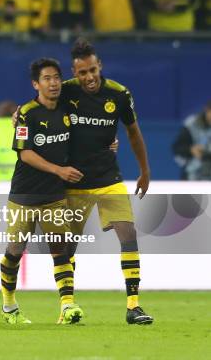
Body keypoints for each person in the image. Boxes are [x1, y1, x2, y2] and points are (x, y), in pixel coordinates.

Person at [60, 38, 153, 325]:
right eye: (82, 72)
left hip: (107, 178)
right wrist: (18, 116)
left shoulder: (119, 94)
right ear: (74, 72)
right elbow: (36, 110)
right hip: (73, 181)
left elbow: (133, 132)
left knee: (128, 233)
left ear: (100, 66)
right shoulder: (64, 92)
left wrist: (144, 170)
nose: (88, 77)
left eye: (92, 70)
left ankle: (133, 306)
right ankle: (67, 305)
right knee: (67, 245)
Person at [3, 58, 84, 325]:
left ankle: (67, 306)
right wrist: (59, 170)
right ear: (35, 84)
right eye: (47, 79)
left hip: (54, 196)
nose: (53, 83)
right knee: (15, 252)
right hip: (24, 195)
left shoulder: (68, 110)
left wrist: (109, 144)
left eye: (57, 77)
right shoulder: (27, 112)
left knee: (61, 251)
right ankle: (9, 307)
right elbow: (25, 154)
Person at [172, 101, 211, 180]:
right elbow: (177, 148)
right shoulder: (191, 125)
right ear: (207, 110)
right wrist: (191, 150)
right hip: (193, 175)